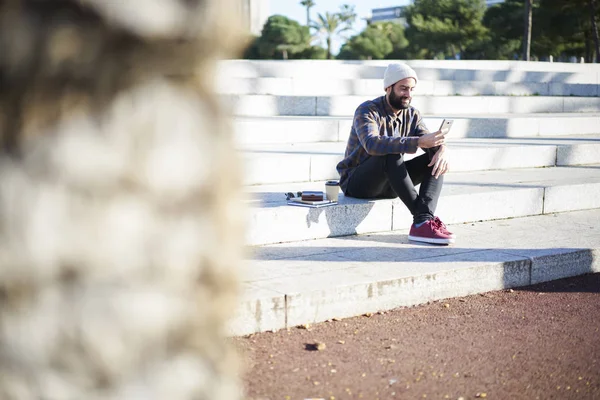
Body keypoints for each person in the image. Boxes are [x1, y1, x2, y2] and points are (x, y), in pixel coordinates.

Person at [336, 62, 454, 245]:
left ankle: (423, 222)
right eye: (403, 89)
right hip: (357, 183)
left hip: (390, 184)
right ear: (388, 87)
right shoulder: (367, 110)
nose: (408, 94)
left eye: (412, 89)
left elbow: (428, 140)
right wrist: (418, 141)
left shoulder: (412, 114)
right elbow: (372, 143)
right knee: (391, 150)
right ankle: (424, 220)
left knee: (435, 158)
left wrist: (442, 150)